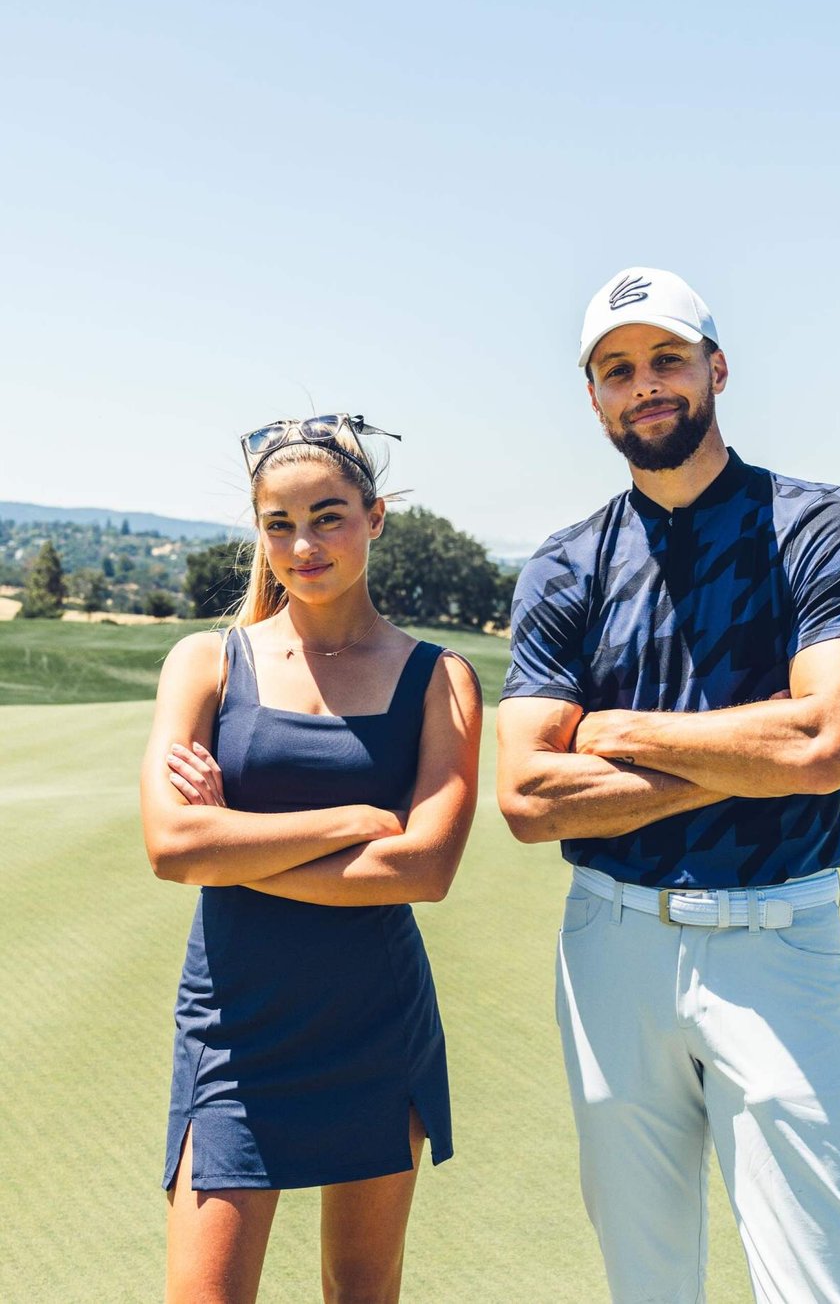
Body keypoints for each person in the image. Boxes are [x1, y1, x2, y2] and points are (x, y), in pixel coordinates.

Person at [497, 267, 840, 1304]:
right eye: (616, 370)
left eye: (666, 358)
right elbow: (530, 797)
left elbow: (824, 743)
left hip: (777, 941)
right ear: (593, 398)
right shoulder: (564, 566)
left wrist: (621, 737)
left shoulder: (814, 525)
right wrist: (743, 758)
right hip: (610, 947)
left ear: (716, 367)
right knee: (646, 1284)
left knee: (821, 1286)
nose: (645, 385)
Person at [140, 412, 481, 1304]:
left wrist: (235, 848)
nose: (303, 544)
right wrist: (351, 818)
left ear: (376, 517)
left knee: (360, 1294)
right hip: (232, 1027)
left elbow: (424, 870)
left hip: (374, 1026)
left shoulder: (440, 678)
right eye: (279, 523)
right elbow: (174, 846)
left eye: (328, 516)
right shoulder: (203, 664)